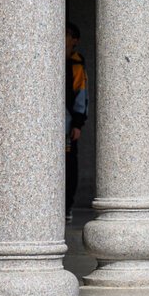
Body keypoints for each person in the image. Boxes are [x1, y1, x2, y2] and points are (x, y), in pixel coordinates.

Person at [65, 21, 89, 217]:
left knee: (69, 163)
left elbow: (81, 94)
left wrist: (78, 123)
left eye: (67, 35)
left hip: (68, 121)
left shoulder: (76, 64)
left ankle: (66, 205)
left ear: (75, 40)